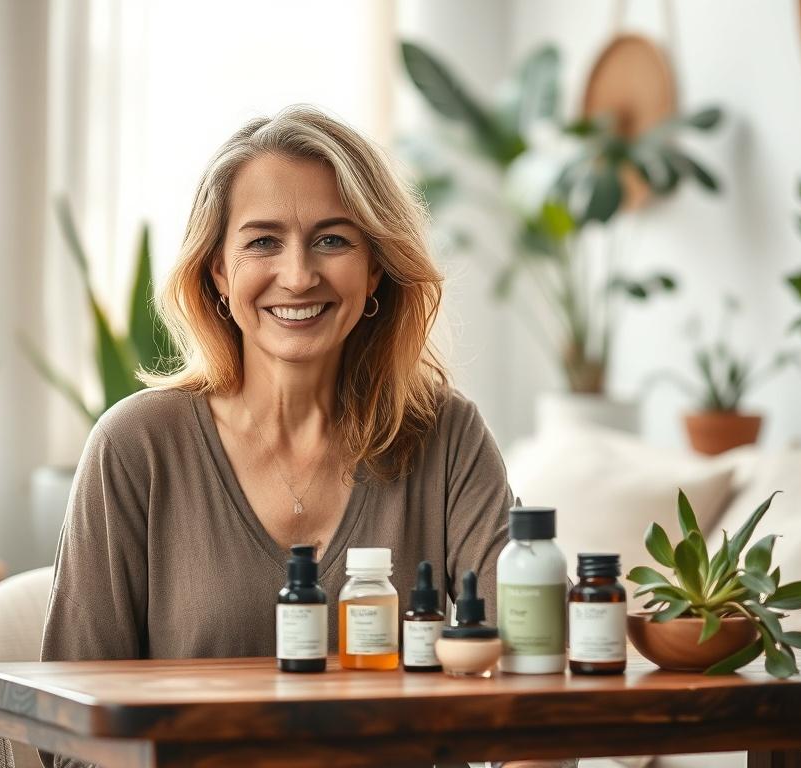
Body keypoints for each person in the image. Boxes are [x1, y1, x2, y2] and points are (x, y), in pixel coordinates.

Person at [39, 106, 514, 768]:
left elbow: (525, 684)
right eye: (263, 242)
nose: (298, 276)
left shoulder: (450, 437)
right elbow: (72, 731)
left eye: (332, 240)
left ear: (375, 268)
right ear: (218, 273)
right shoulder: (136, 447)